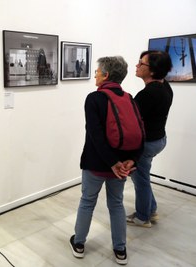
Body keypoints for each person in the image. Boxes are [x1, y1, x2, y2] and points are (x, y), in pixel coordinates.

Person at [69, 56, 142, 265]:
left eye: (97, 71)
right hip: (121, 165)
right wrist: (131, 161)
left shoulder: (94, 98)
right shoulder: (130, 98)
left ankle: (79, 244)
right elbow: (140, 134)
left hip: (96, 163)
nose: (95, 74)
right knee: (117, 204)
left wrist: (111, 162)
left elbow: (95, 135)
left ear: (106, 75)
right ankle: (120, 250)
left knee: (87, 202)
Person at [126, 50, 173, 227]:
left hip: (147, 144)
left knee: (141, 181)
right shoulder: (165, 86)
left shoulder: (148, 94)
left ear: (152, 71)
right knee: (143, 178)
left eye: (141, 64)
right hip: (159, 140)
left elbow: (132, 123)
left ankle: (142, 217)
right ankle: (151, 210)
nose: (137, 66)